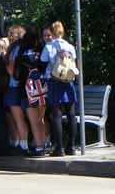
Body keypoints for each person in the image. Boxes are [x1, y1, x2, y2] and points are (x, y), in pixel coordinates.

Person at [42, 21, 78, 156]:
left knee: (56, 115)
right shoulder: (70, 46)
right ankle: (72, 146)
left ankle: (59, 148)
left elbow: (43, 60)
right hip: (68, 82)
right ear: (63, 31)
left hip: (55, 81)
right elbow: (74, 61)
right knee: (71, 114)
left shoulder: (49, 46)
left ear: (52, 32)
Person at [15, 27, 46, 156]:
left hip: (27, 90)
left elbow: (17, 74)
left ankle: (38, 147)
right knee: (41, 119)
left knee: (33, 121)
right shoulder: (42, 50)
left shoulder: (22, 53)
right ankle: (43, 145)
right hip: (43, 89)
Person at [4, 25, 30, 155]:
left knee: (18, 118)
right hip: (25, 85)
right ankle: (25, 143)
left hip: (14, 85)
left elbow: (11, 70)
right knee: (25, 118)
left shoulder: (15, 49)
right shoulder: (26, 48)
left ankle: (22, 144)